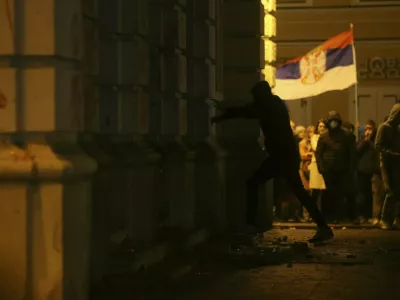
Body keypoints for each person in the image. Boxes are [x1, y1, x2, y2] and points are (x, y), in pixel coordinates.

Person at [211, 81, 333, 242]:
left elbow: (248, 111)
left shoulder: (269, 106)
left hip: (281, 156)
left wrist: (222, 114)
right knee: (297, 191)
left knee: (255, 183)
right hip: (284, 155)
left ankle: (251, 223)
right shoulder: (274, 104)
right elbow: (249, 110)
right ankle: (322, 226)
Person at [316, 111, 356, 223]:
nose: (333, 124)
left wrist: (351, 169)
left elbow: (351, 153)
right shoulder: (323, 137)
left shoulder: (346, 135)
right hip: (328, 170)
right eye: (331, 121)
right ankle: (329, 216)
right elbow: (318, 153)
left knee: (340, 193)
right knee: (329, 193)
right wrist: (321, 168)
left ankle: (339, 216)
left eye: (335, 121)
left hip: (342, 169)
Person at [375, 104, 400, 229]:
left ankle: (395, 219)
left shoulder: (396, 129)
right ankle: (384, 219)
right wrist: (393, 154)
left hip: (396, 163)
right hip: (386, 163)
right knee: (389, 190)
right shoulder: (384, 127)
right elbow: (378, 146)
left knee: (397, 191)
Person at [356, 119, 380, 223]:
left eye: (370, 129)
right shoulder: (362, 139)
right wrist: (365, 141)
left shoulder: (376, 139)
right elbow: (357, 151)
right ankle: (363, 215)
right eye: (366, 129)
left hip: (374, 170)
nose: (368, 131)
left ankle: (372, 216)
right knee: (362, 194)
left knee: (373, 194)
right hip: (362, 171)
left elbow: (377, 151)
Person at [308, 120, 327, 211]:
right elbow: (316, 148)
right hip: (316, 164)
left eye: (323, 126)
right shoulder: (314, 137)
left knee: (324, 191)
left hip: (325, 164)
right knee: (315, 190)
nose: (322, 128)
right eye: (320, 126)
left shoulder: (328, 137)